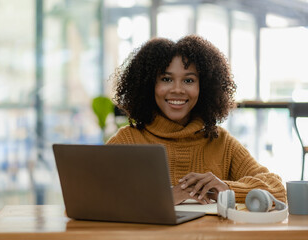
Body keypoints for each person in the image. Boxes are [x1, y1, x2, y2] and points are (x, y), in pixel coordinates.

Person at [106, 35, 286, 205]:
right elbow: (96, 195)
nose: (177, 89)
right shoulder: (127, 141)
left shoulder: (221, 142)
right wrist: (164, 198)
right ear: (149, 85)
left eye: (189, 80)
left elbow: (278, 190)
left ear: (204, 87)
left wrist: (227, 189)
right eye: (166, 79)